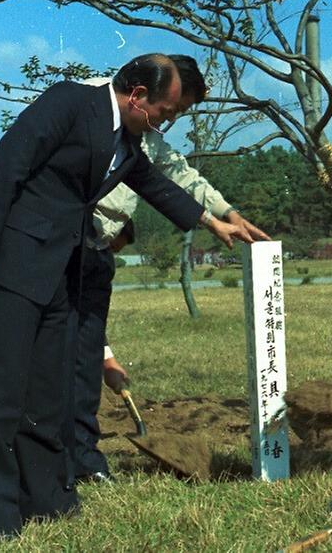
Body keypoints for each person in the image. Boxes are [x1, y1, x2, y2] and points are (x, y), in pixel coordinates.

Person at [0, 52, 256, 542]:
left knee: (47, 393)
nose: (166, 123)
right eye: (165, 112)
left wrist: (213, 222)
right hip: (17, 264)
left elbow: (153, 183)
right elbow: (6, 166)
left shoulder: (126, 139)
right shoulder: (69, 102)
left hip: (63, 272)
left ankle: (47, 500)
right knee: (0, 396)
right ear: (137, 94)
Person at [69, 55, 270, 483]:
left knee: (85, 357)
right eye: (172, 110)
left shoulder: (148, 140)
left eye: (180, 113)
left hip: (97, 251)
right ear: (150, 94)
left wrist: (228, 213)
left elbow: (182, 177)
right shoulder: (91, 109)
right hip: (61, 245)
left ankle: (84, 458)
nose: (172, 120)